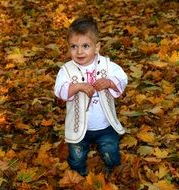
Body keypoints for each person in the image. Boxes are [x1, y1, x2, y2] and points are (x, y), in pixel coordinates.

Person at [54, 16, 128, 177]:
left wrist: (109, 82)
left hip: (104, 125)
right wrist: (77, 87)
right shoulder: (66, 70)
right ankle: (78, 173)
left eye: (85, 46)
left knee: (110, 148)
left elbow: (122, 78)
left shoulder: (107, 66)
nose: (79, 51)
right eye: (74, 46)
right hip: (78, 125)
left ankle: (113, 168)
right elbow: (59, 90)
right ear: (68, 48)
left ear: (97, 47)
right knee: (77, 154)